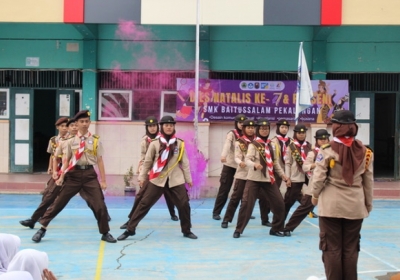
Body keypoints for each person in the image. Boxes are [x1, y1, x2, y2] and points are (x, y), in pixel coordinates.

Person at [31, 110, 117, 243]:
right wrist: (61, 176)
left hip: (89, 175)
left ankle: (105, 232)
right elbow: (66, 160)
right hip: (73, 175)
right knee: (59, 203)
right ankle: (42, 229)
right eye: (81, 121)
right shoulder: (69, 141)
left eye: (86, 121)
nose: (84, 124)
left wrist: (103, 180)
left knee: (99, 204)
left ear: (89, 123)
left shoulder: (94, 140)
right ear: (76, 123)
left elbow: (99, 160)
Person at [311, 110, 373, 280]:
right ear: (354, 128)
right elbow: (368, 183)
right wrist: (367, 205)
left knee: (331, 249)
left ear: (336, 127)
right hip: (355, 207)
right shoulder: (366, 152)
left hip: (331, 207)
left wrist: (314, 196)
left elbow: (318, 179)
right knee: (351, 249)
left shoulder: (327, 150)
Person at [117, 116, 197, 240]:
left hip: (175, 179)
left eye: (171, 125)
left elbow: (184, 162)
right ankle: (130, 229)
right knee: (144, 204)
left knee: (184, 204)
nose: (169, 127)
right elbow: (147, 162)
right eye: (166, 125)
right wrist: (142, 177)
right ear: (162, 127)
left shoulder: (179, 143)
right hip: (157, 179)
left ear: (174, 127)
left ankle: (186, 230)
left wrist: (188, 179)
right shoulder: (155, 143)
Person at [232, 118, 291, 238]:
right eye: (262, 129)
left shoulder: (272, 144)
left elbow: (275, 163)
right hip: (254, 179)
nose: (264, 131)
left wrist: (283, 175)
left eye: (267, 129)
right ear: (258, 130)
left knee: (279, 203)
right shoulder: (253, 145)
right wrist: (254, 165)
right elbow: (247, 159)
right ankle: (238, 230)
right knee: (246, 205)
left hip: (269, 179)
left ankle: (276, 228)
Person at [120, 116, 178, 229]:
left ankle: (173, 213)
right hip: (151, 173)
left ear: (158, 126)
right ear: (147, 128)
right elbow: (143, 157)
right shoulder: (145, 141)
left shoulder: (165, 138)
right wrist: (141, 170)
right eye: (149, 126)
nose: (152, 128)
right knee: (141, 196)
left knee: (169, 195)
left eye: (154, 126)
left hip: (166, 172)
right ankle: (131, 219)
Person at [19, 118, 74, 229]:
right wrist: (53, 169)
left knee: (92, 196)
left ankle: (102, 215)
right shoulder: (56, 140)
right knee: (49, 195)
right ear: (57, 127)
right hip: (61, 171)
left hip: (77, 173)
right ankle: (34, 219)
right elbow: (54, 156)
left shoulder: (78, 140)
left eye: (67, 126)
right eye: (63, 126)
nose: (65, 128)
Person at [283, 129, 330, 236]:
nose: (323, 141)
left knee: (333, 207)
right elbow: (305, 167)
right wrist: (314, 165)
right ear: (316, 140)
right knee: (305, 207)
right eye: (321, 139)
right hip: (315, 184)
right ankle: (288, 227)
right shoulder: (312, 153)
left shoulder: (333, 152)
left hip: (330, 185)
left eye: (325, 139)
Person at [212, 114, 247, 220]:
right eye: (239, 123)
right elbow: (227, 145)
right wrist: (223, 155)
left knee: (244, 191)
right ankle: (216, 212)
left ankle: (244, 212)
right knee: (224, 189)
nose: (241, 125)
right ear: (236, 123)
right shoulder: (232, 134)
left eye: (243, 123)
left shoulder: (249, 135)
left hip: (243, 166)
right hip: (230, 165)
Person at [284, 124, 312, 220]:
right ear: (295, 133)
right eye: (299, 133)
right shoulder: (291, 147)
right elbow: (288, 163)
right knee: (289, 201)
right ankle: (279, 223)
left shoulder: (309, 146)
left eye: (303, 133)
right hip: (295, 176)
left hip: (309, 175)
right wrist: (287, 178)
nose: (301, 135)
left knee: (316, 195)